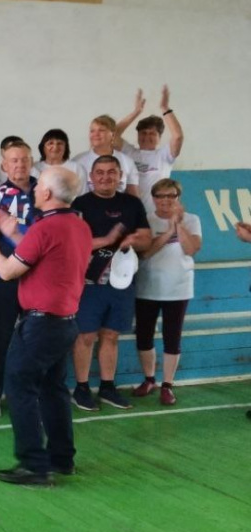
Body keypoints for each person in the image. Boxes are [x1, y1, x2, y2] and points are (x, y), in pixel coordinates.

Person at [0, 166, 92, 485]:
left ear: (48, 193)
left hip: (40, 325)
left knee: (18, 384)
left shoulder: (43, 228)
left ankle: (34, 465)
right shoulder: (78, 226)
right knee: (53, 389)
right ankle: (62, 458)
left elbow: (7, 271)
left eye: (40, 187)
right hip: (65, 322)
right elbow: (45, 255)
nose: (35, 189)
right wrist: (13, 234)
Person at [70, 155, 152, 411]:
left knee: (111, 335)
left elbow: (146, 238)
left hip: (121, 280)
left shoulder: (132, 203)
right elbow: (73, 243)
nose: (105, 177)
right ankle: (81, 388)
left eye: (111, 172)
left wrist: (132, 241)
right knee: (85, 335)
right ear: (91, 177)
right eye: (100, 172)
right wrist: (106, 240)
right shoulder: (80, 204)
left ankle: (107, 387)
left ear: (120, 176)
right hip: (88, 281)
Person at [131, 178, 202, 405]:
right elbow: (145, 253)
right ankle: (149, 378)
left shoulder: (192, 219)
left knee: (172, 337)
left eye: (171, 196)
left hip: (178, 287)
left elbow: (191, 249)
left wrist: (178, 225)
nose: (165, 200)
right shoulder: (145, 220)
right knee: (144, 335)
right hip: (148, 287)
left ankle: (167, 385)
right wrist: (168, 231)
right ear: (153, 199)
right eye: (160, 196)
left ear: (178, 198)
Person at [0, 141, 37, 417]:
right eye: (14, 160)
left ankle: (32, 394)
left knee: (36, 339)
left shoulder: (46, 192)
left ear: (32, 161)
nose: (20, 164)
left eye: (24, 159)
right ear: (4, 165)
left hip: (37, 278)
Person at [114, 87, 185, 213]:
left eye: (152, 133)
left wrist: (165, 108)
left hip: (158, 215)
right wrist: (136, 112)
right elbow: (112, 135)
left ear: (159, 137)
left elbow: (178, 136)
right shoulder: (129, 152)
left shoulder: (164, 155)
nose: (147, 137)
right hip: (132, 215)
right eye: (143, 133)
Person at [71, 115, 140, 197]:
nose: (96, 134)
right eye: (92, 131)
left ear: (113, 135)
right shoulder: (77, 162)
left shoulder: (127, 161)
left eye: (101, 130)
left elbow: (134, 197)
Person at [31, 128, 88, 198]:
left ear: (66, 147)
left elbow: (82, 196)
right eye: (50, 143)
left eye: (60, 143)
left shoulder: (76, 168)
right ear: (43, 148)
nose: (55, 147)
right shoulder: (35, 168)